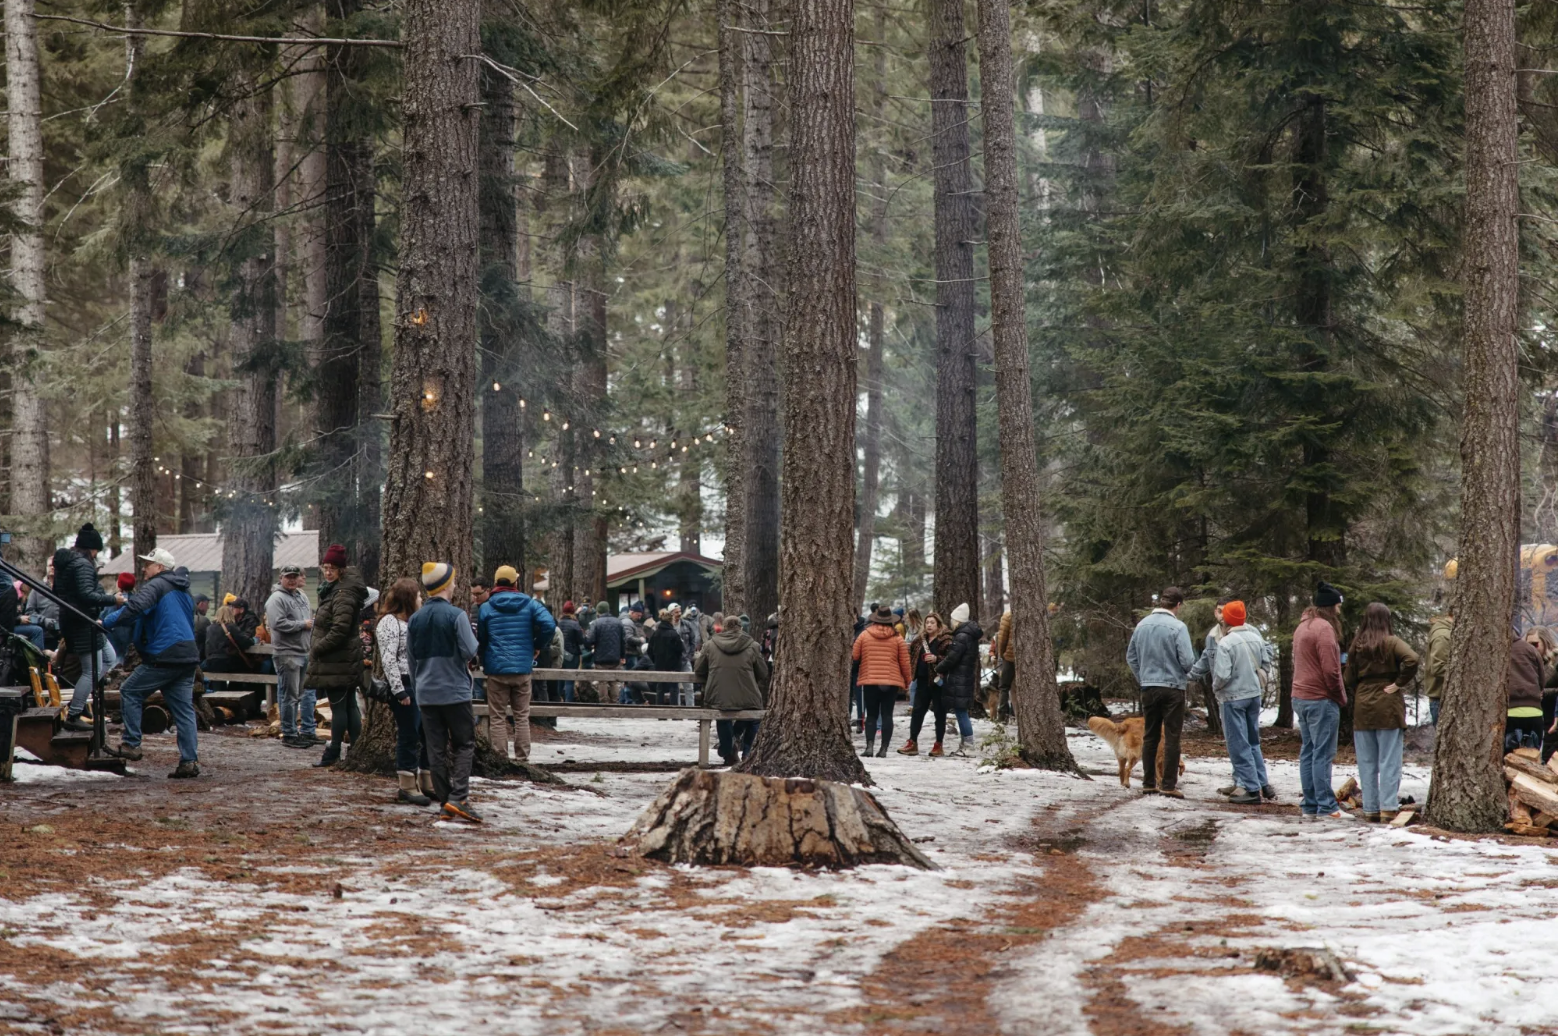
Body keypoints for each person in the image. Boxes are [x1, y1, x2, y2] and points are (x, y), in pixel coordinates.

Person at [99, 547, 201, 778]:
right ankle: (189, 762)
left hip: (164, 655)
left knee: (129, 691)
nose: (144, 568)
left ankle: (131, 744)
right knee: (184, 711)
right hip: (187, 655)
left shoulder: (156, 586)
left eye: (148, 564)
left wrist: (106, 622)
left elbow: (134, 608)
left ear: (160, 567)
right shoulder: (184, 590)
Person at [410, 562, 482, 822]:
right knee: (464, 744)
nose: (455, 584)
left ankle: (445, 802)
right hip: (454, 691)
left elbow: (411, 660)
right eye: (452, 581)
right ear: (446, 585)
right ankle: (458, 797)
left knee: (435, 749)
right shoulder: (457, 615)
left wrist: (418, 690)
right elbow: (470, 650)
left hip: (426, 693)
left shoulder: (415, 619)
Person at [1344, 602, 1420, 822]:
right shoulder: (1392, 642)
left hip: (1363, 706)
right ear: (1386, 620)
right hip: (1388, 705)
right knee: (1389, 760)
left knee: (1367, 762)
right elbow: (1413, 658)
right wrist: (1398, 683)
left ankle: (1370, 809)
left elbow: (1348, 678)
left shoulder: (1356, 645)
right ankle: (1388, 807)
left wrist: (1362, 685)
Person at [477, 565, 557, 762]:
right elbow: (549, 624)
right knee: (521, 716)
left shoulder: (486, 607)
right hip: (522, 668)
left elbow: (482, 638)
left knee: (497, 717)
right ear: (515, 582)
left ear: (496, 583)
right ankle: (522, 757)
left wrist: (485, 657)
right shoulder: (530, 604)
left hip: (496, 668)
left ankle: (500, 758)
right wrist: (537, 645)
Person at [1124, 586, 1195, 798]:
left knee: (1150, 736)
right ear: (1178, 605)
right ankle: (1168, 785)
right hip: (1173, 688)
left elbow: (1131, 656)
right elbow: (1188, 661)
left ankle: (1148, 783)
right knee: (1172, 737)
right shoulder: (1178, 627)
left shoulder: (1142, 625)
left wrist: (1143, 677)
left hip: (1149, 687)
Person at [54, 523, 124, 731]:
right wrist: (113, 599)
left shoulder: (67, 564)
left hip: (81, 621)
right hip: (82, 622)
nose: (96, 555)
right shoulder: (83, 565)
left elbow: (62, 591)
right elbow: (86, 595)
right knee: (90, 671)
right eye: (96, 551)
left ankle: (80, 696)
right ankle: (74, 713)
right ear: (91, 548)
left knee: (109, 658)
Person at [306, 544, 369, 768]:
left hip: (338, 660)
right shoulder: (336, 589)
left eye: (332, 568)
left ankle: (334, 751)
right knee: (348, 705)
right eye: (325, 567)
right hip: (340, 660)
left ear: (341, 569)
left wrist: (318, 647)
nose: (328, 572)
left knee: (340, 707)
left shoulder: (342, 594)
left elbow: (340, 629)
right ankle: (356, 750)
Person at [1291, 583, 1349, 821]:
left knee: (1309, 751)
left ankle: (1310, 804)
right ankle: (1326, 806)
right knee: (1322, 753)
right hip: (1320, 699)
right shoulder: (1324, 628)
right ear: (1329, 606)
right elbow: (1331, 670)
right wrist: (1340, 696)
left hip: (1300, 697)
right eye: (1337, 606)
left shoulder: (1303, 625)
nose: (1339, 610)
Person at [1210, 601, 1276, 805]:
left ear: (1227, 619)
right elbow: (1266, 663)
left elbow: (1222, 675)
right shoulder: (1256, 638)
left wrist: (1216, 688)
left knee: (1238, 744)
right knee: (1253, 742)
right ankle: (1263, 783)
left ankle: (1251, 789)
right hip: (1254, 696)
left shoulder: (1226, 643)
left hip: (1233, 698)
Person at [373, 577, 430, 805]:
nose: (421, 599)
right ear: (408, 598)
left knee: (427, 732)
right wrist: (399, 691)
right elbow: (389, 659)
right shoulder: (389, 622)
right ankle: (407, 785)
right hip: (404, 684)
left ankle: (428, 780)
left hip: (421, 683)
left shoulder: (412, 621)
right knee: (409, 734)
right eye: (418, 596)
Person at [697, 611, 768, 765]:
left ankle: (727, 750)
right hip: (748, 696)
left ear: (724, 628)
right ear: (740, 628)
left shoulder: (710, 645)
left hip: (718, 695)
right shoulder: (753, 646)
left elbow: (699, 670)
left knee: (723, 716)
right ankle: (748, 753)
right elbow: (763, 672)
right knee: (754, 718)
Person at [265, 565, 317, 749]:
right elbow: (277, 623)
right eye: (288, 577)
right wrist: (302, 625)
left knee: (301, 694)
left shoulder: (301, 595)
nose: (292, 580)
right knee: (289, 696)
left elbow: (309, 619)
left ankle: (305, 731)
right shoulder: (276, 599)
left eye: (295, 577)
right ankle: (289, 733)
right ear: (281, 578)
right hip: (287, 653)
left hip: (303, 651)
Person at [853, 605, 912, 756]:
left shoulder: (864, 635)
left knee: (871, 715)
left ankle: (869, 747)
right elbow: (905, 663)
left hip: (870, 680)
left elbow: (855, 656)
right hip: (890, 682)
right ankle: (884, 749)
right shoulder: (897, 638)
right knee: (887, 715)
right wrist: (907, 681)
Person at [935, 603, 984, 756]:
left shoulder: (962, 636)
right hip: (964, 677)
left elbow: (952, 658)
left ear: (957, 620)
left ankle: (968, 746)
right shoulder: (968, 635)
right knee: (960, 711)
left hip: (959, 679)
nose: (950, 622)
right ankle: (964, 744)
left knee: (961, 712)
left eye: (952, 619)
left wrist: (938, 668)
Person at [900, 613, 951, 756]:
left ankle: (938, 745)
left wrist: (936, 658)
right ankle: (912, 742)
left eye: (932, 623)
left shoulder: (945, 640)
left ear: (938, 625)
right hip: (922, 681)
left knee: (939, 713)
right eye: (927, 622)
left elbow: (951, 658)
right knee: (917, 711)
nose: (929, 625)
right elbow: (911, 653)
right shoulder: (919, 640)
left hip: (938, 682)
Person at [583, 599, 632, 704]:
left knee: (602, 681)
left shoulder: (596, 623)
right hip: (615, 657)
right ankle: (615, 702)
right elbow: (623, 641)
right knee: (614, 681)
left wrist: (589, 646)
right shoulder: (618, 622)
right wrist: (622, 656)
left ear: (599, 611)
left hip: (600, 657)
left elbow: (590, 640)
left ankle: (604, 703)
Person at [1506, 632, 1546, 753]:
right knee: (1532, 758)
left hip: (1509, 713)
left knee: (1509, 759)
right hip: (1534, 713)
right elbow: (1542, 680)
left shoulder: (1496, 650)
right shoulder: (1530, 649)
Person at [202, 601, 257, 684]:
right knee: (246, 668)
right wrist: (254, 640)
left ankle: (219, 691)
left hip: (211, 662)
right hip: (227, 662)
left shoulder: (209, 628)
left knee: (217, 681)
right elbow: (246, 642)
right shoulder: (231, 627)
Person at [648, 609, 686, 704]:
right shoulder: (674, 634)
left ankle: (659, 710)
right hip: (673, 666)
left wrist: (655, 660)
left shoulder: (656, 633)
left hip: (659, 665)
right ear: (670, 620)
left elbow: (649, 650)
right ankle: (674, 710)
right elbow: (681, 649)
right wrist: (677, 661)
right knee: (674, 688)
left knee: (660, 687)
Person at [1423, 604, 1453, 725]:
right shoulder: (1443, 636)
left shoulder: (1447, 632)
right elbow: (1439, 668)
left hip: (1445, 699)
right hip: (1442, 700)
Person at [669, 603, 700, 706]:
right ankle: (677, 709)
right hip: (673, 661)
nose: (679, 613)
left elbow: (692, 641)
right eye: (676, 612)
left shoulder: (686, 624)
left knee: (689, 686)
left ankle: (690, 708)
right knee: (675, 688)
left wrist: (689, 656)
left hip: (685, 660)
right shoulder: (668, 626)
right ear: (671, 613)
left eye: (680, 611)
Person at [990, 608, 1015, 720]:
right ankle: (1016, 715)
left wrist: (1002, 654)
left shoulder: (1008, 616)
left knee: (1004, 687)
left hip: (1010, 657)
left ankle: (1002, 716)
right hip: (1027, 659)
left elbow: (1002, 638)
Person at [557, 600, 584, 702]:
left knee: (559, 679)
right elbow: (581, 640)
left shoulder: (558, 623)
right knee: (569, 681)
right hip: (572, 655)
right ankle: (568, 702)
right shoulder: (575, 624)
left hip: (560, 655)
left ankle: (557, 700)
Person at [191, 594, 211, 661]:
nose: (208, 607)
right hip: (199, 658)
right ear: (201, 604)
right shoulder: (203, 621)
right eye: (207, 604)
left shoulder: (186, 616)